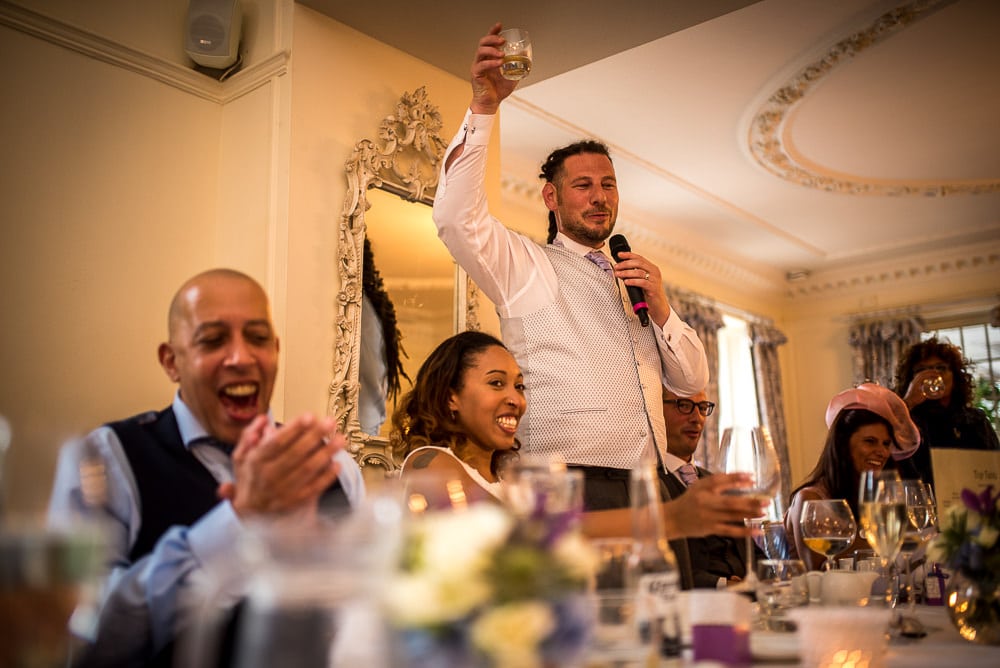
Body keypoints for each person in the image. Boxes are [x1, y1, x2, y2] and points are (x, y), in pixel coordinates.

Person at [432, 23, 710, 512]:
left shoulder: (635, 281)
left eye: (608, 184)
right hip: (566, 484)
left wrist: (663, 308)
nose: (600, 197)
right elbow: (456, 218)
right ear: (551, 197)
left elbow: (690, 383)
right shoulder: (527, 266)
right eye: (583, 186)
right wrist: (485, 107)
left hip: (651, 483)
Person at [47, 268, 365, 667]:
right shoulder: (104, 458)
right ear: (171, 361)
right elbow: (77, 642)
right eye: (212, 340)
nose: (241, 357)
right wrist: (239, 520)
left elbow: (365, 622)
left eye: (258, 338)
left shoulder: (332, 464)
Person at [392, 332, 766, 553]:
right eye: (496, 383)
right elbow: (516, 535)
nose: (515, 399)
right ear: (449, 396)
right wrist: (668, 518)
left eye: (519, 386)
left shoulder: (511, 480)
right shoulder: (429, 463)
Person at [784, 383, 920, 570]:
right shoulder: (811, 499)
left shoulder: (878, 498)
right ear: (842, 445)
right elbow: (820, 571)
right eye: (870, 441)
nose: (882, 452)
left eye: (886, 443)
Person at [660, 388, 760, 588]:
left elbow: (751, 553)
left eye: (702, 407)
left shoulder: (715, 482)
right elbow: (662, 568)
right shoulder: (648, 485)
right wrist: (722, 584)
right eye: (684, 405)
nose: (697, 418)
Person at [892, 336, 999, 487]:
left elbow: (994, 466)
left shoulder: (975, 419)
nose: (932, 375)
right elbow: (889, 448)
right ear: (911, 379)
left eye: (941, 367)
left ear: (955, 377)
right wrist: (909, 401)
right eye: (922, 370)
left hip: (973, 503)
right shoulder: (907, 419)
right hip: (923, 504)